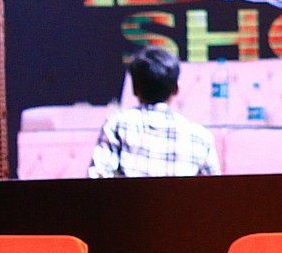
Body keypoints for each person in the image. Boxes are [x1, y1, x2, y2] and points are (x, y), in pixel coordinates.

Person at [87, 46, 220, 178]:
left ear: (134, 89)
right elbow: (216, 188)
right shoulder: (200, 137)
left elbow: (97, 179)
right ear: (176, 89)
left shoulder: (118, 124)